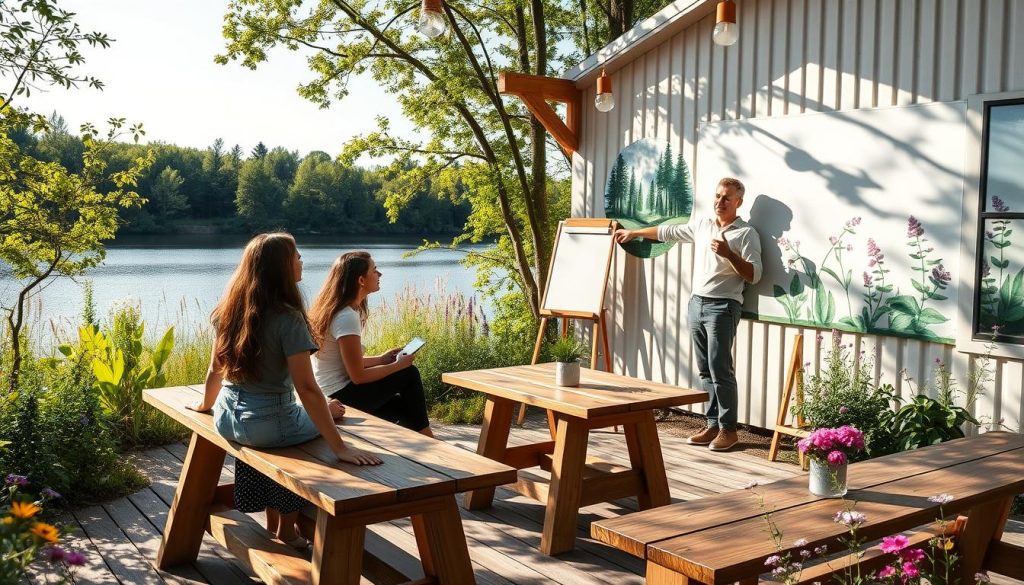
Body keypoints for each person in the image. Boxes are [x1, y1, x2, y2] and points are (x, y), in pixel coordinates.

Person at [187, 232, 382, 549]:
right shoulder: (288, 318)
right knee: (307, 435)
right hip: (269, 423)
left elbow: (215, 370)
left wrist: (204, 405)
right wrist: (340, 447)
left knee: (282, 434)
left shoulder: (229, 311)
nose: (302, 261)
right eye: (297, 256)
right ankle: (288, 528)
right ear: (281, 268)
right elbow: (306, 388)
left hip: (227, 418)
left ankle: (274, 520)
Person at [614, 177, 762, 451]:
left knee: (721, 370)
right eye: (717, 196)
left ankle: (730, 430)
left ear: (738, 202)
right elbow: (669, 233)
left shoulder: (746, 234)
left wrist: (730, 254)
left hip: (723, 307)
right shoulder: (704, 225)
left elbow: (754, 275)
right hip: (696, 304)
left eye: (726, 198)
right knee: (706, 369)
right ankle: (713, 424)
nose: (719, 202)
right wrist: (634, 233)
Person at [309, 251, 434, 437]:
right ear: (361, 280)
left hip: (335, 392)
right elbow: (358, 376)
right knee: (409, 373)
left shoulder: (340, 311)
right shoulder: (346, 317)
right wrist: (398, 365)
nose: (380, 274)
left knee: (405, 408)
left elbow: (348, 363)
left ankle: (425, 442)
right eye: (374, 270)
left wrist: (382, 359)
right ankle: (429, 439)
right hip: (339, 398)